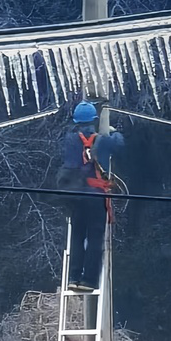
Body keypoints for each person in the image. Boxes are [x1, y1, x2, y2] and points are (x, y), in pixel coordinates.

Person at [55, 101, 125, 292]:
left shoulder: (69, 139)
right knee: (95, 237)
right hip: (95, 196)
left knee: (77, 236)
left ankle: (74, 277)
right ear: (93, 120)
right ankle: (88, 281)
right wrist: (113, 131)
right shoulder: (101, 140)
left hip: (75, 196)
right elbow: (119, 144)